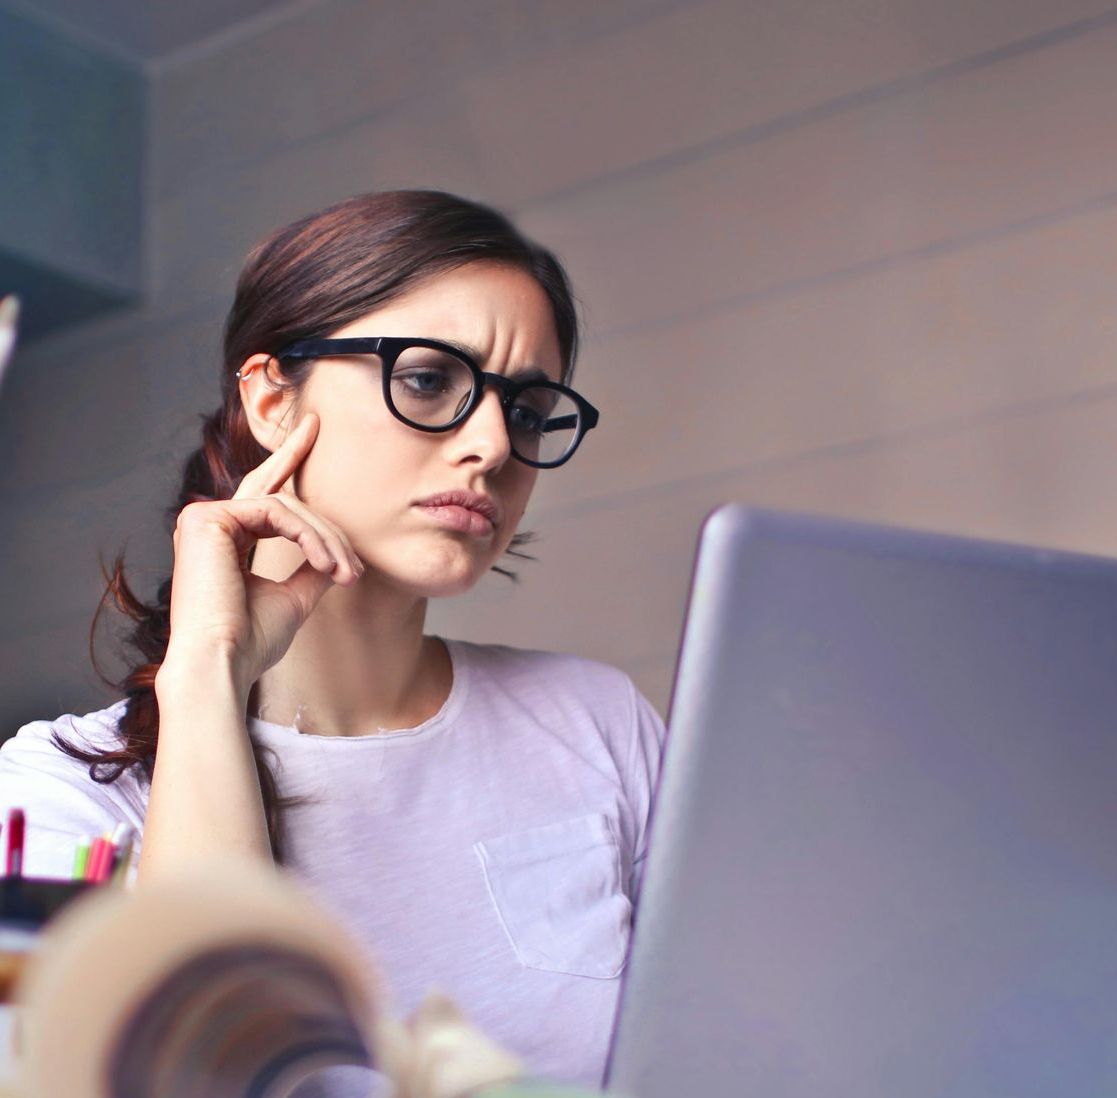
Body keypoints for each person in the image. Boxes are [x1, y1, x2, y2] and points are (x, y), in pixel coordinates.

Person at [0, 190, 668, 1090]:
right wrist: (204, 675)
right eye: (430, 379)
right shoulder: (55, 799)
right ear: (273, 399)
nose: (490, 447)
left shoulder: (594, 722)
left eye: (526, 408)